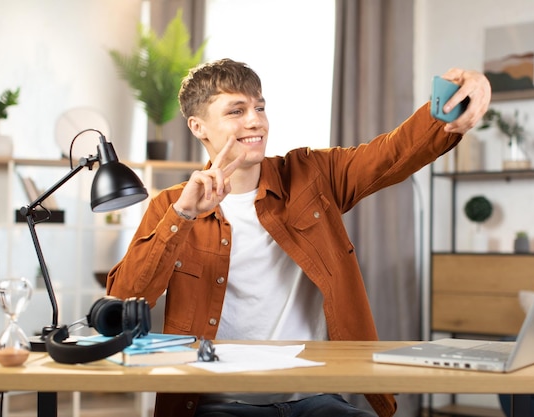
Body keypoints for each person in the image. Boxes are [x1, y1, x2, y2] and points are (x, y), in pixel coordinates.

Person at [107, 58, 491, 417]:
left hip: (314, 399)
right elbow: (124, 302)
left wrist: (459, 92)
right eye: (236, 111)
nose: (255, 121)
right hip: (220, 402)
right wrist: (183, 217)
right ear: (198, 127)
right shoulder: (172, 206)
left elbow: (391, 154)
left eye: (259, 108)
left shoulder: (311, 175)